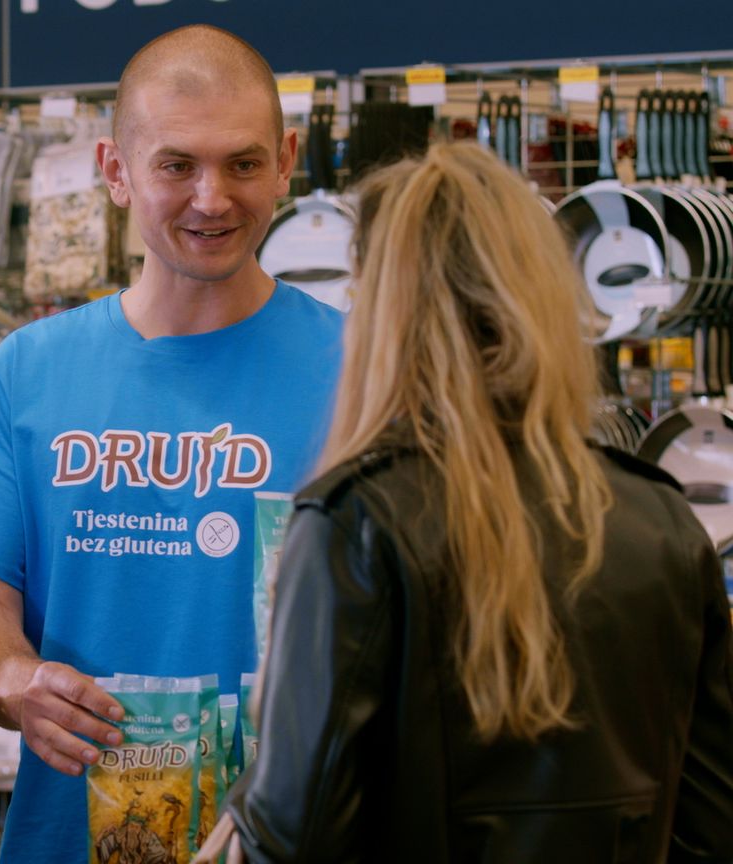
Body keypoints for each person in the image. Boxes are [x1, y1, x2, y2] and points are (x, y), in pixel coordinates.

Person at [200, 142, 733, 863]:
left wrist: (249, 804)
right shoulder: (661, 518)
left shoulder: (357, 522)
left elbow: (299, 834)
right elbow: (711, 825)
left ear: (385, 312)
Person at [0, 25, 344, 862]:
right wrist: (17, 681)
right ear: (116, 172)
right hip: (70, 836)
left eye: (243, 163)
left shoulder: (365, 371)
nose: (212, 199)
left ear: (286, 162)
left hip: (293, 836)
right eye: (176, 166)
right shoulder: (26, 372)